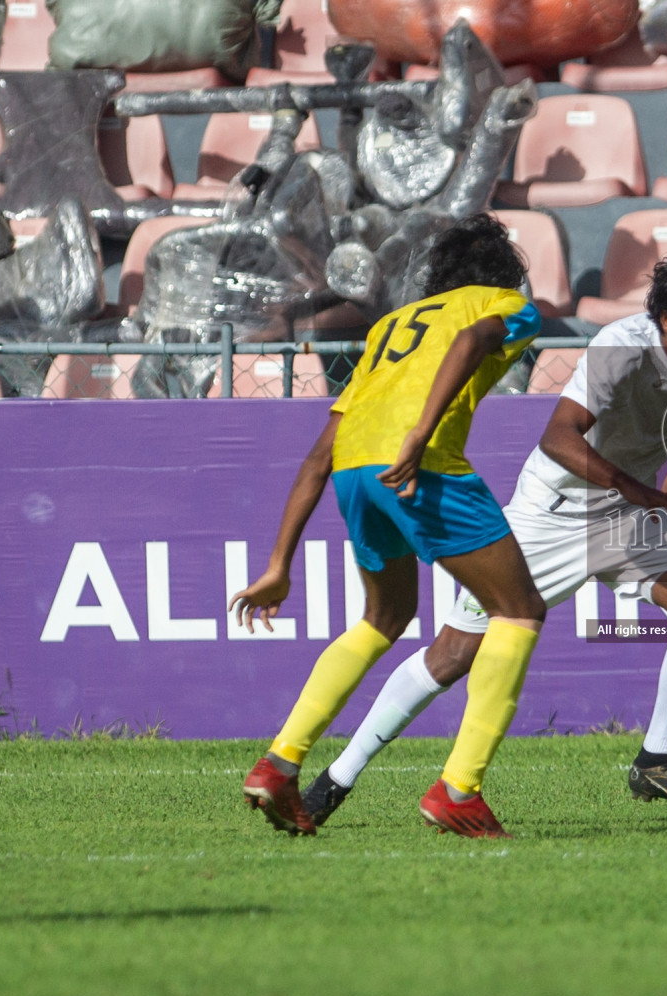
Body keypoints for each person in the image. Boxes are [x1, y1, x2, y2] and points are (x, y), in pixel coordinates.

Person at [299, 242, 667, 826]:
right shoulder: (619, 349)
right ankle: (336, 779)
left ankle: (654, 757)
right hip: (554, 511)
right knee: (455, 652)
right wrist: (640, 490)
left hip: (629, 514)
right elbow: (559, 438)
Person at [231, 214, 547, 839]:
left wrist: (278, 564)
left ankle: (280, 762)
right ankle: (460, 790)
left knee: (383, 619)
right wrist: (421, 435)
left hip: (353, 472)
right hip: (419, 466)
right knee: (518, 610)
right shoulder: (509, 304)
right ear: (505, 272)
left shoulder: (390, 326)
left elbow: (321, 452)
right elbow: (473, 342)